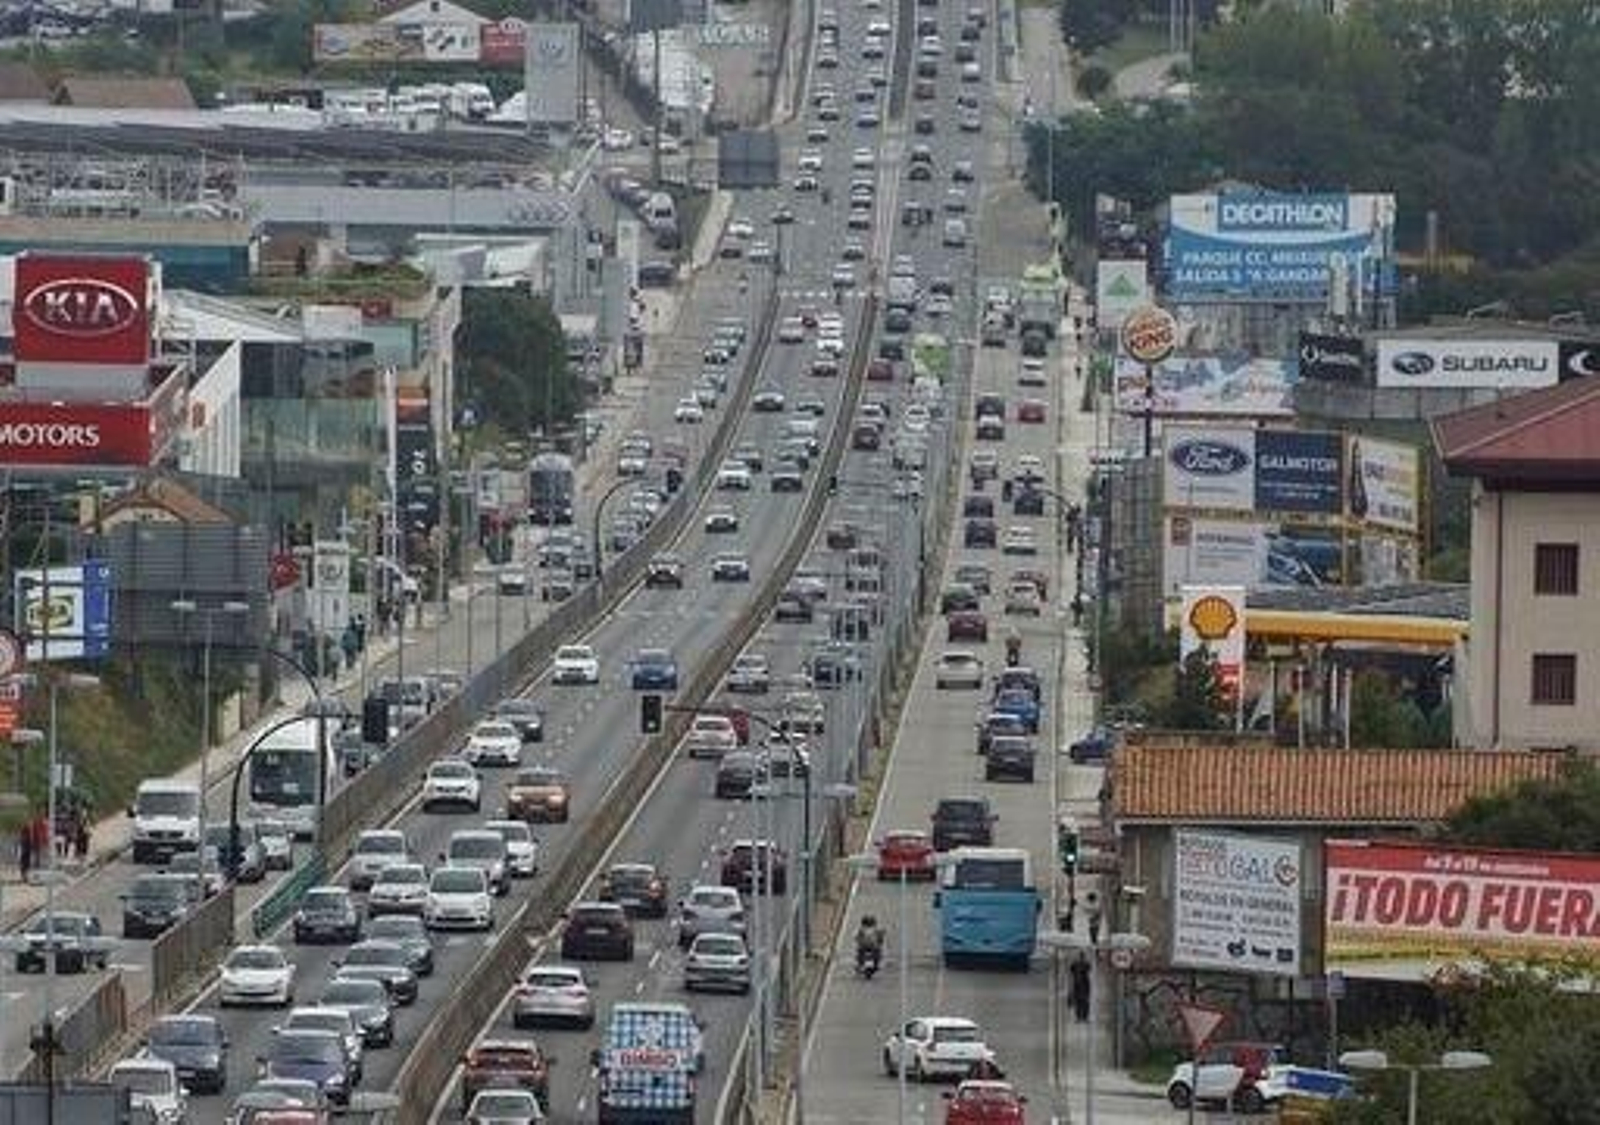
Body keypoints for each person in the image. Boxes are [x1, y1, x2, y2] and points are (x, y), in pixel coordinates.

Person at [1069, 952, 1092, 1022]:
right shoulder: (1081, 964)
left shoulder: (1080, 964)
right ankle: (1082, 1017)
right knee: (1081, 1002)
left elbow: (1071, 969)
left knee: (1082, 1002)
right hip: (1080, 985)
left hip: (1081, 985)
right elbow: (1072, 969)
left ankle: (1082, 1017)